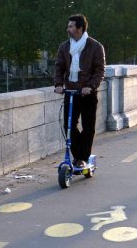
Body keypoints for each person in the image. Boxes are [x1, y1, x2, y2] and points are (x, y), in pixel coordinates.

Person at [54, 14, 105, 168]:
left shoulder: (95, 46)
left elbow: (99, 70)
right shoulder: (64, 47)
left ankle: (82, 157)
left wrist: (91, 86)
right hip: (70, 92)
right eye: (68, 26)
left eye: (70, 26)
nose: (67, 29)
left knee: (88, 126)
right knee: (68, 126)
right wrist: (58, 84)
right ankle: (78, 156)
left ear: (79, 28)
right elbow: (59, 67)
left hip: (88, 93)